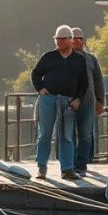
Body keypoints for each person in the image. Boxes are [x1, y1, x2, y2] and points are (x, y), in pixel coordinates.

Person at [31, 24, 88, 180]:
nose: (59, 42)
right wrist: (40, 89)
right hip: (48, 99)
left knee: (67, 136)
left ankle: (67, 169)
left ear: (70, 40)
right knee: (45, 135)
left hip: (69, 101)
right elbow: (35, 73)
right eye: (57, 39)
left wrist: (78, 99)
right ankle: (41, 167)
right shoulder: (48, 57)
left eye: (62, 39)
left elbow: (84, 83)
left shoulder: (79, 60)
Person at [72, 27, 105, 175]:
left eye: (80, 38)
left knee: (86, 135)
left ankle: (81, 165)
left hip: (88, 103)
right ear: (69, 39)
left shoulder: (91, 59)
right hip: (68, 102)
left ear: (84, 40)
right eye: (75, 38)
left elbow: (98, 81)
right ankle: (68, 164)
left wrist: (100, 100)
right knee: (68, 135)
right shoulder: (64, 57)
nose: (78, 40)